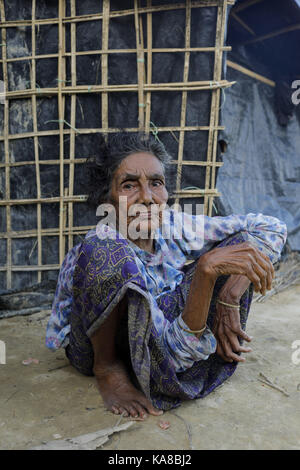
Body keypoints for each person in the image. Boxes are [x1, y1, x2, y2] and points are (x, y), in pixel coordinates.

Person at [46, 132, 287, 419]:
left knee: (241, 245)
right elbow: (168, 361)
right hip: (95, 346)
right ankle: (108, 368)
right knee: (104, 249)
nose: (147, 198)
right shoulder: (102, 245)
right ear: (107, 199)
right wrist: (205, 274)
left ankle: (216, 313)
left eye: (156, 183)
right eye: (129, 185)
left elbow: (270, 228)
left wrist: (229, 296)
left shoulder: (172, 224)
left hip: (164, 341)